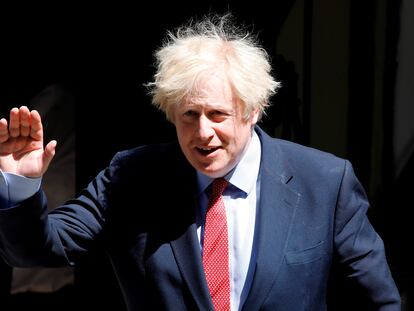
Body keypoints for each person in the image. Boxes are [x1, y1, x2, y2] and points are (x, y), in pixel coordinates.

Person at [0, 13, 400, 310]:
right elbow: (39, 250)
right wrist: (20, 186)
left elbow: (376, 301)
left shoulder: (325, 182)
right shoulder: (132, 177)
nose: (203, 132)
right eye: (189, 116)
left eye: (218, 115)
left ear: (253, 110)